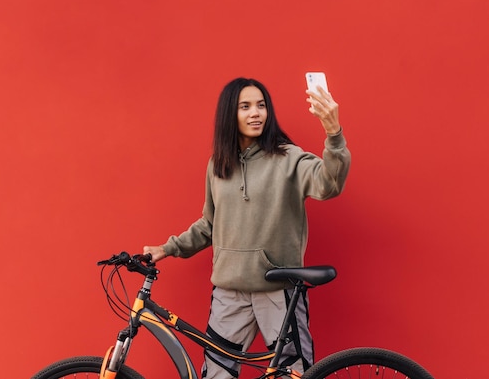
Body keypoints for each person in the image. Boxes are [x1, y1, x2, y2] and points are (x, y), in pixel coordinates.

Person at [143, 77, 351, 379]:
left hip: (277, 290)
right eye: (245, 106)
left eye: (261, 105)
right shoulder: (218, 166)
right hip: (230, 292)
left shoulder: (288, 158)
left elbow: (329, 184)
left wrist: (334, 134)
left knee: (293, 375)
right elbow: (210, 225)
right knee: (216, 375)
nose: (256, 113)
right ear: (230, 114)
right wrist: (168, 248)